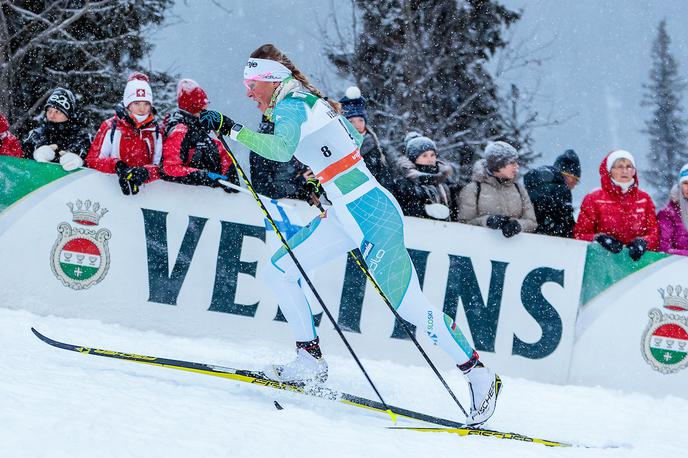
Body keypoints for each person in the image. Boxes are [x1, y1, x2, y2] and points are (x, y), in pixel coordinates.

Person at [199, 43, 501, 426]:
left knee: (412, 309)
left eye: (252, 85)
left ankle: (477, 373)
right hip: (346, 214)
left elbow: (278, 149)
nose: (248, 93)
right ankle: (309, 359)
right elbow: (353, 143)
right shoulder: (308, 100)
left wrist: (231, 128)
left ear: (271, 82)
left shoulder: (294, 104)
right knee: (280, 269)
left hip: (370, 215)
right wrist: (324, 169)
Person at [574, 150, 659, 261]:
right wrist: (599, 239)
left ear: (634, 171)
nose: (625, 171)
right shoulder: (594, 199)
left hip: (637, 266)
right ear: (610, 171)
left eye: (629, 166)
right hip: (601, 263)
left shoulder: (644, 199)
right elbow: (579, 235)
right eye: (619, 166)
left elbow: (655, 235)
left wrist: (644, 242)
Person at [87, 72, 162, 195]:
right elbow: (92, 161)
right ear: (128, 104)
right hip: (109, 191)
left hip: (146, 195)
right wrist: (117, 166)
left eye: (146, 103)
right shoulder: (111, 126)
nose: (142, 108)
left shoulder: (156, 130)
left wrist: (146, 172)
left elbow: (161, 167)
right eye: (136, 103)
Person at [161, 79, 238, 190]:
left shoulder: (202, 130)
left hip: (208, 198)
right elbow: (170, 168)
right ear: (194, 107)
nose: (205, 110)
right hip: (186, 197)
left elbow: (221, 154)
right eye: (202, 108)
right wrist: (204, 177)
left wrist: (231, 175)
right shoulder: (180, 131)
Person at [458, 141, 537, 237]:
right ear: (498, 164)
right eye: (512, 162)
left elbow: (532, 223)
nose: (517, 166)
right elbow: (463, 223)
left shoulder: (519, 189)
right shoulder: (474, 189)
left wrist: (518, 225)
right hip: (481, 247)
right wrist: (487, 221)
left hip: (515, 248)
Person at [23, 87, 91, 171]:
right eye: (49, 111)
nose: (51, 115)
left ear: (68, 115)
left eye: (57, 112)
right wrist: (35, 154)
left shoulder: (83, 138)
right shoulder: (34, 135)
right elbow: (18, 162)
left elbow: (93, 163)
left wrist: (80, 161)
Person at [339, 86, 394, 188]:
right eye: (351, 121)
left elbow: (386, 173)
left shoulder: (376, 146)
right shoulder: (339, 146)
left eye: (360, 120)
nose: (357, 125)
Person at [394, 134, 458, 220]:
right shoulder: (405, 183)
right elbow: (401, 211)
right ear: (414, 158)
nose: (430, 159)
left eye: (432, 155)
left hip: (447, 230)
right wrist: (425, 210)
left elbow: (455, 210)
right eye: (424, 155)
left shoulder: (446, 180)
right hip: (420, 230)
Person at [524, 149, 581, 238]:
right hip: (549, 241)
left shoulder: (537, 184)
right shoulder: (562, 189)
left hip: (529, 236)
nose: (574, 185)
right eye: (575, 179)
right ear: (567, 175)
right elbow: (566, 223)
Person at [657, 163, 688, 256]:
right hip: (676, 267)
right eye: (685, 183)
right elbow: (664, 249)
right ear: (679, 185)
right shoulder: (668, 214)